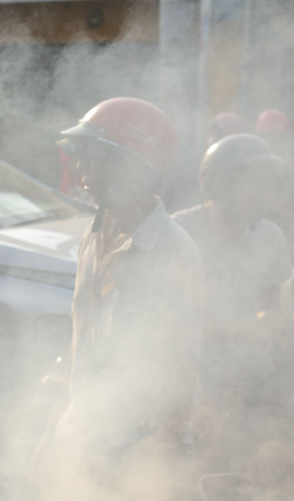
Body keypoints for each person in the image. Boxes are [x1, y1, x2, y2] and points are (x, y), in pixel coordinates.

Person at [37, 97, 205, 472]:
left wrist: (157, 475)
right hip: (81, 439)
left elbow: (180, 369)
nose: (80, 171)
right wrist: (52, 433)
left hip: (137, 459)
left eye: (91, 159)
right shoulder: (94, 236)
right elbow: (80, 345)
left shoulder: (174, 254)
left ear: (131, 168)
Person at [173, 135, 293, 451]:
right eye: (255, 183)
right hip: (191, 378)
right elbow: (169, 326)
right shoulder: (179, 236)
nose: (266, 194)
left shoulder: (269, 236)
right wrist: (247, 330)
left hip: (250, 371)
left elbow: (272, 301)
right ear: (217, 185)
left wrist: (276, 322)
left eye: (269, 184)